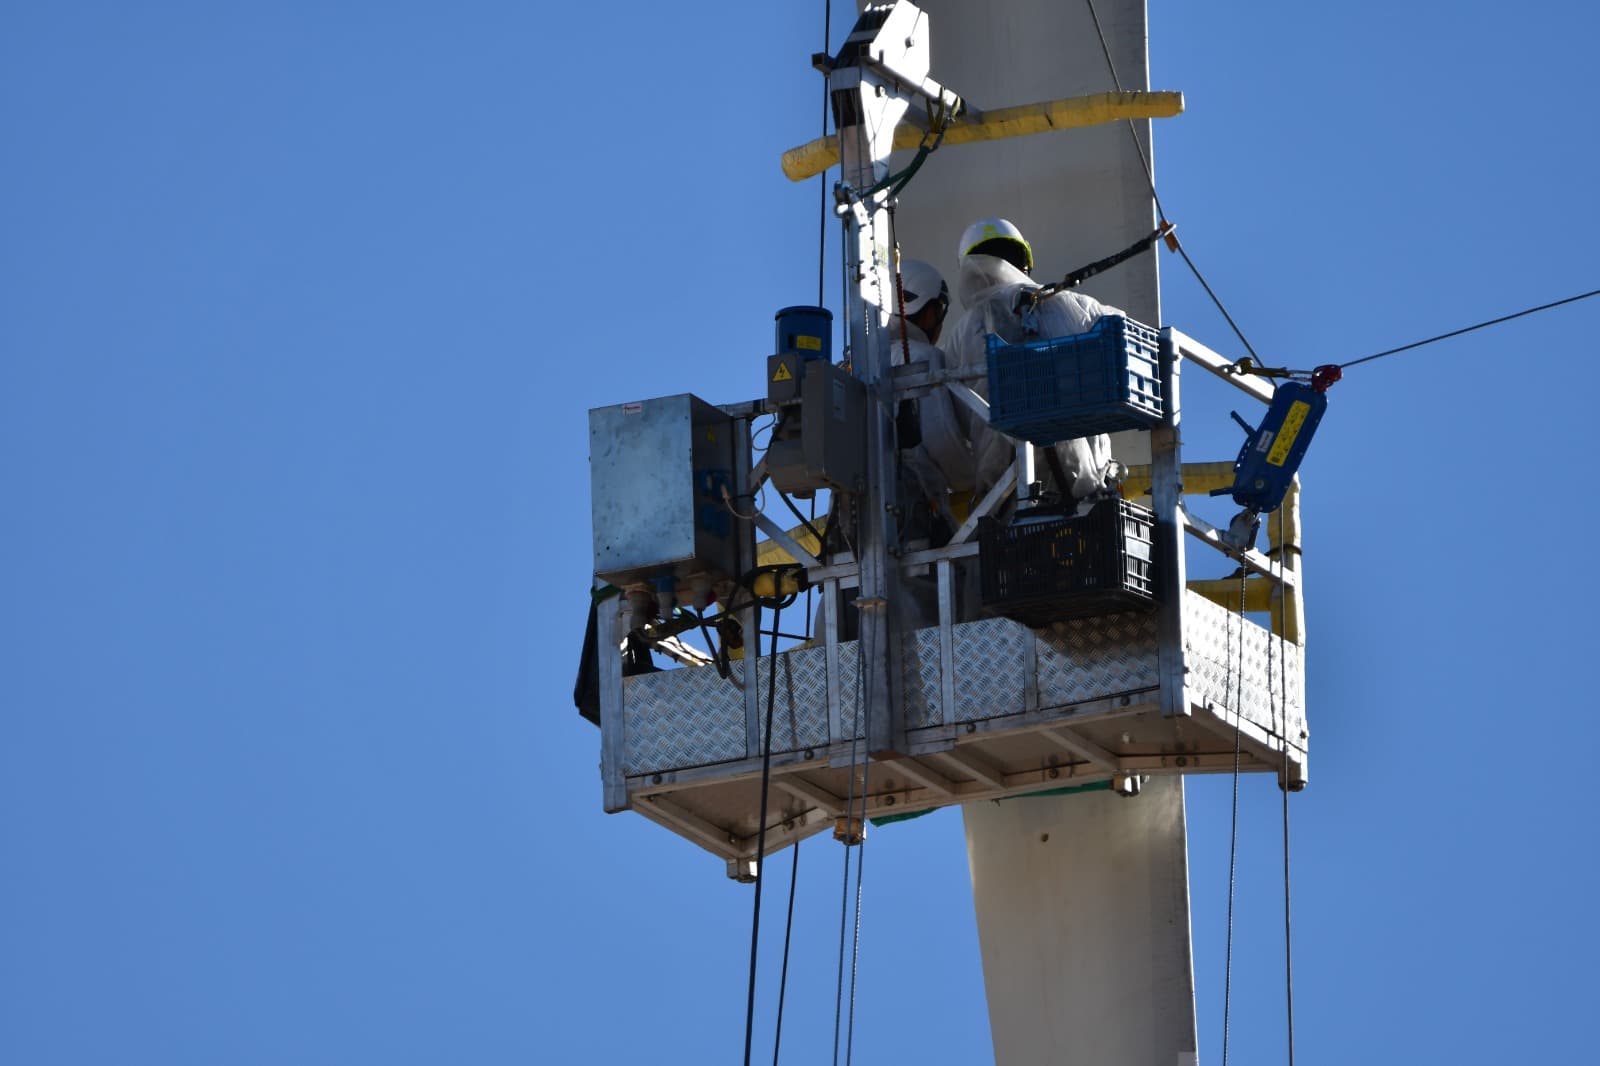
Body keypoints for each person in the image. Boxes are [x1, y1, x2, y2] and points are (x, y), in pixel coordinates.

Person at [947, 218, 1124, 513]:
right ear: (1026, 263)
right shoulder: (1075, 305)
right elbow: (1125, 348)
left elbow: (959, 421)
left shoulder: (962, 334)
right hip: (1085, 490)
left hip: (1004, 497)